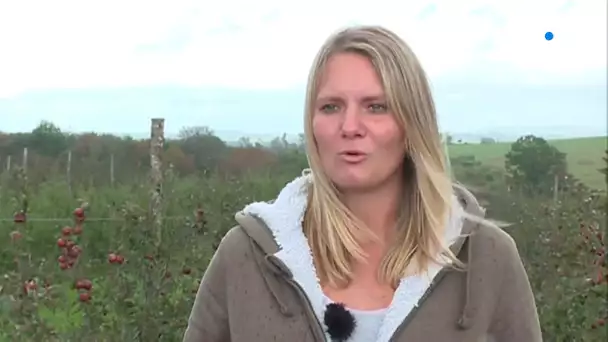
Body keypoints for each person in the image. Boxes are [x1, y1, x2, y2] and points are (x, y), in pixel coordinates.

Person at [183, 25, 542, 342]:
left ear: (412, 124)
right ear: (312, 125)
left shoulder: (487, 259)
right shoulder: (248, 257)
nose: (350, 126)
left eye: (376, 106)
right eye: (330, 107)